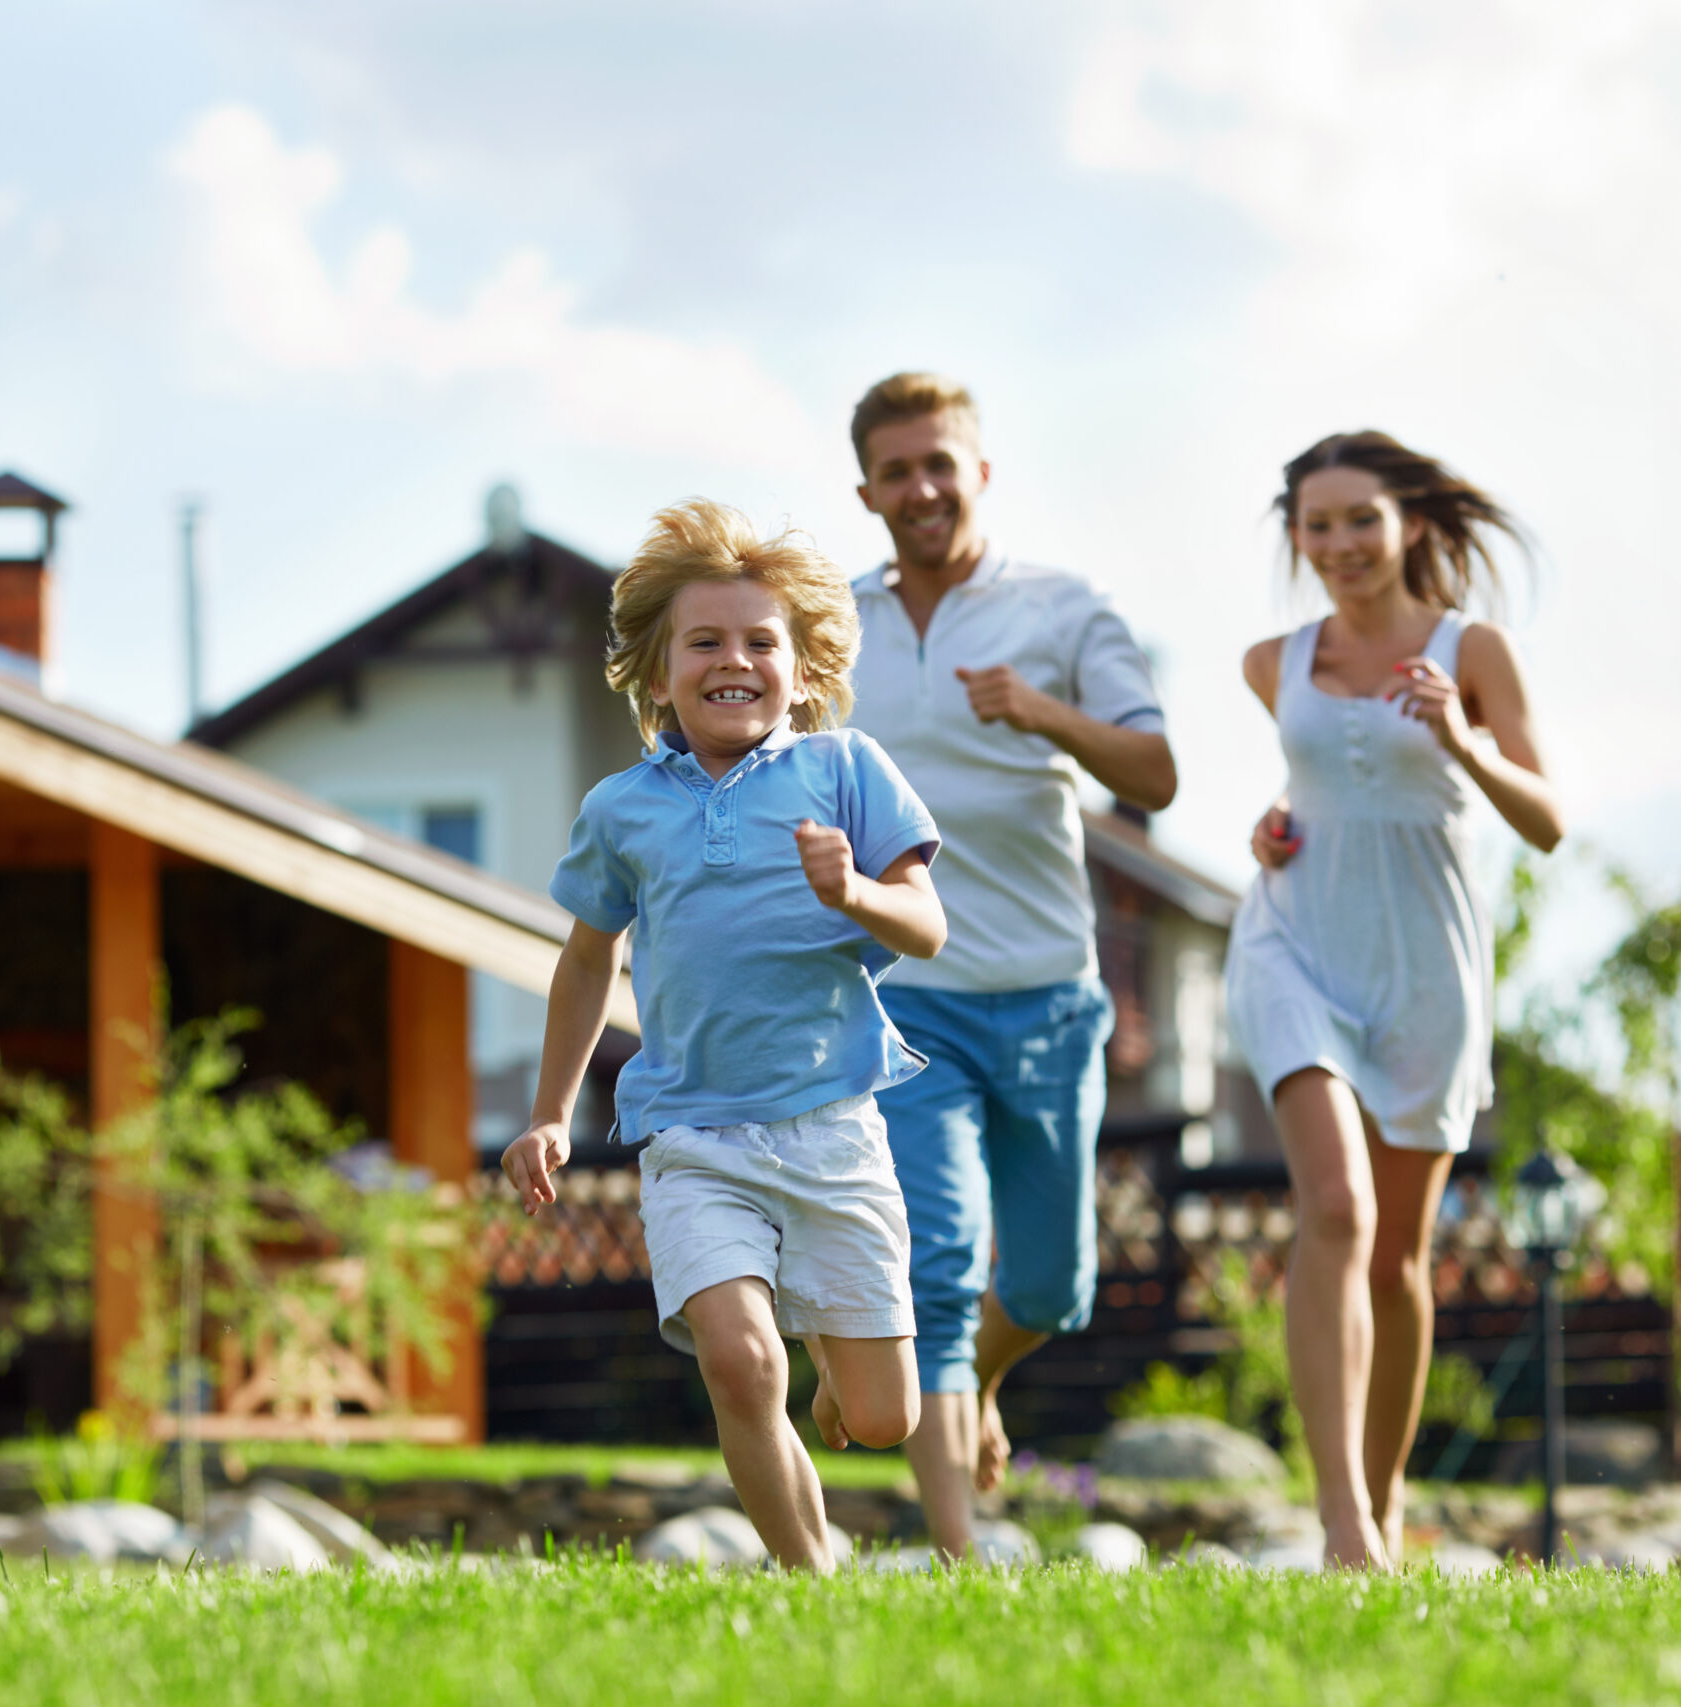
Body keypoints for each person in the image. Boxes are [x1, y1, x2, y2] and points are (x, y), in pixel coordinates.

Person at [502, 498, 946, 1573]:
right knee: (742, 1365)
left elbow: (925, 925)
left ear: (801, 669)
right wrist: (551, 1113)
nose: (733, 660)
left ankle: (847, 1373)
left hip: (831, 1126)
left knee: (885, 1420)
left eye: (760, 642)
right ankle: (813, 1579)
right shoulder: (622, 809)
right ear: (657, 675)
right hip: (692, 1134)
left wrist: (855, 895)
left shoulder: (845, 769)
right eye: (704, 642)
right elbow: (586, 958)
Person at [844, 373, 1179, 1558]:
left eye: (940, 463)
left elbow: (1153, 777)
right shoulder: (837, 626)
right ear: (867, 489)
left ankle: (977, 1386)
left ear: (979, 472)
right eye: (897, 470)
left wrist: (1045, 715)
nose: (921, 488)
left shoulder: (1062, 609)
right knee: (937, 1265)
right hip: (905, 995)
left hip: (1045, 994)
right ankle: (955, 1553)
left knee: (1048, 1288)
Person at [1224, 430, 1564, 1570]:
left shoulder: (1474, 650)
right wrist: (1267, 826)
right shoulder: (1272, 660)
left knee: (1396, 1258)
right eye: (1314, 527)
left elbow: (1546, 819)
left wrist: (1461, 740)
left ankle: (1383, 1495)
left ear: (1408, 522)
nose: (1337, 546)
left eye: (1357, 520)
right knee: (1335, 1208)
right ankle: (1341, 1524)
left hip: (1425, 965)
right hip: (1295, 945)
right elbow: (1316, 782)